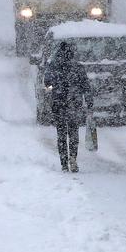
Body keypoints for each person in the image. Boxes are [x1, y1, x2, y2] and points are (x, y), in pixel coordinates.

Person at [42, 41, 92, 172]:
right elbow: (86, 87)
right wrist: (89, 101)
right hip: (74, 104)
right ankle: (73, 158)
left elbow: (47, 82)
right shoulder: (78, 67)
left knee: (61, 134)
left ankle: (64, 163)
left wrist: (54, 87)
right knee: (73, 133)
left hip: (58, 104)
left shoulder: (53, 67)